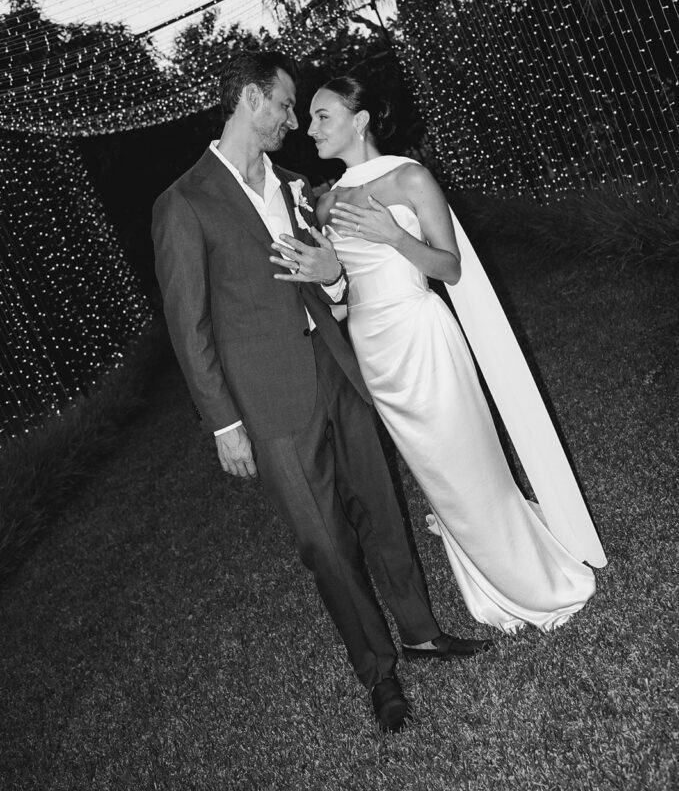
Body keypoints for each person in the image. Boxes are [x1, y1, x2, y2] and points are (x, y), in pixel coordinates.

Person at [151, 51, 492, 735]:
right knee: (326, 543)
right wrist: (224, 425)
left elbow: (328, 284)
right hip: (269, 400)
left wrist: (334, 275)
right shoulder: (183, 202)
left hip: (338, 369)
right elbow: (188, 326)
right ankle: (379, 674)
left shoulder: (296, 185)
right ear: (251, 100)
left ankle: (421, 634)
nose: (290, 120)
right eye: (282, 105)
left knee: (381, 509)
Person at [303, 76, 607, 635]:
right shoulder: (327, 204)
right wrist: (329, 276)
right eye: (311, 118)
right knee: (437, 478)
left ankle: (532, 578)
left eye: (323, 116)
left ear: (360, 119)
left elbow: (449, 267)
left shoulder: (410, 177)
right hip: (373, 353)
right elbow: (343, 284)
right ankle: (484, 580)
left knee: (470, 464)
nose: (311, 127)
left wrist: (393, 235)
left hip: (422, 337)